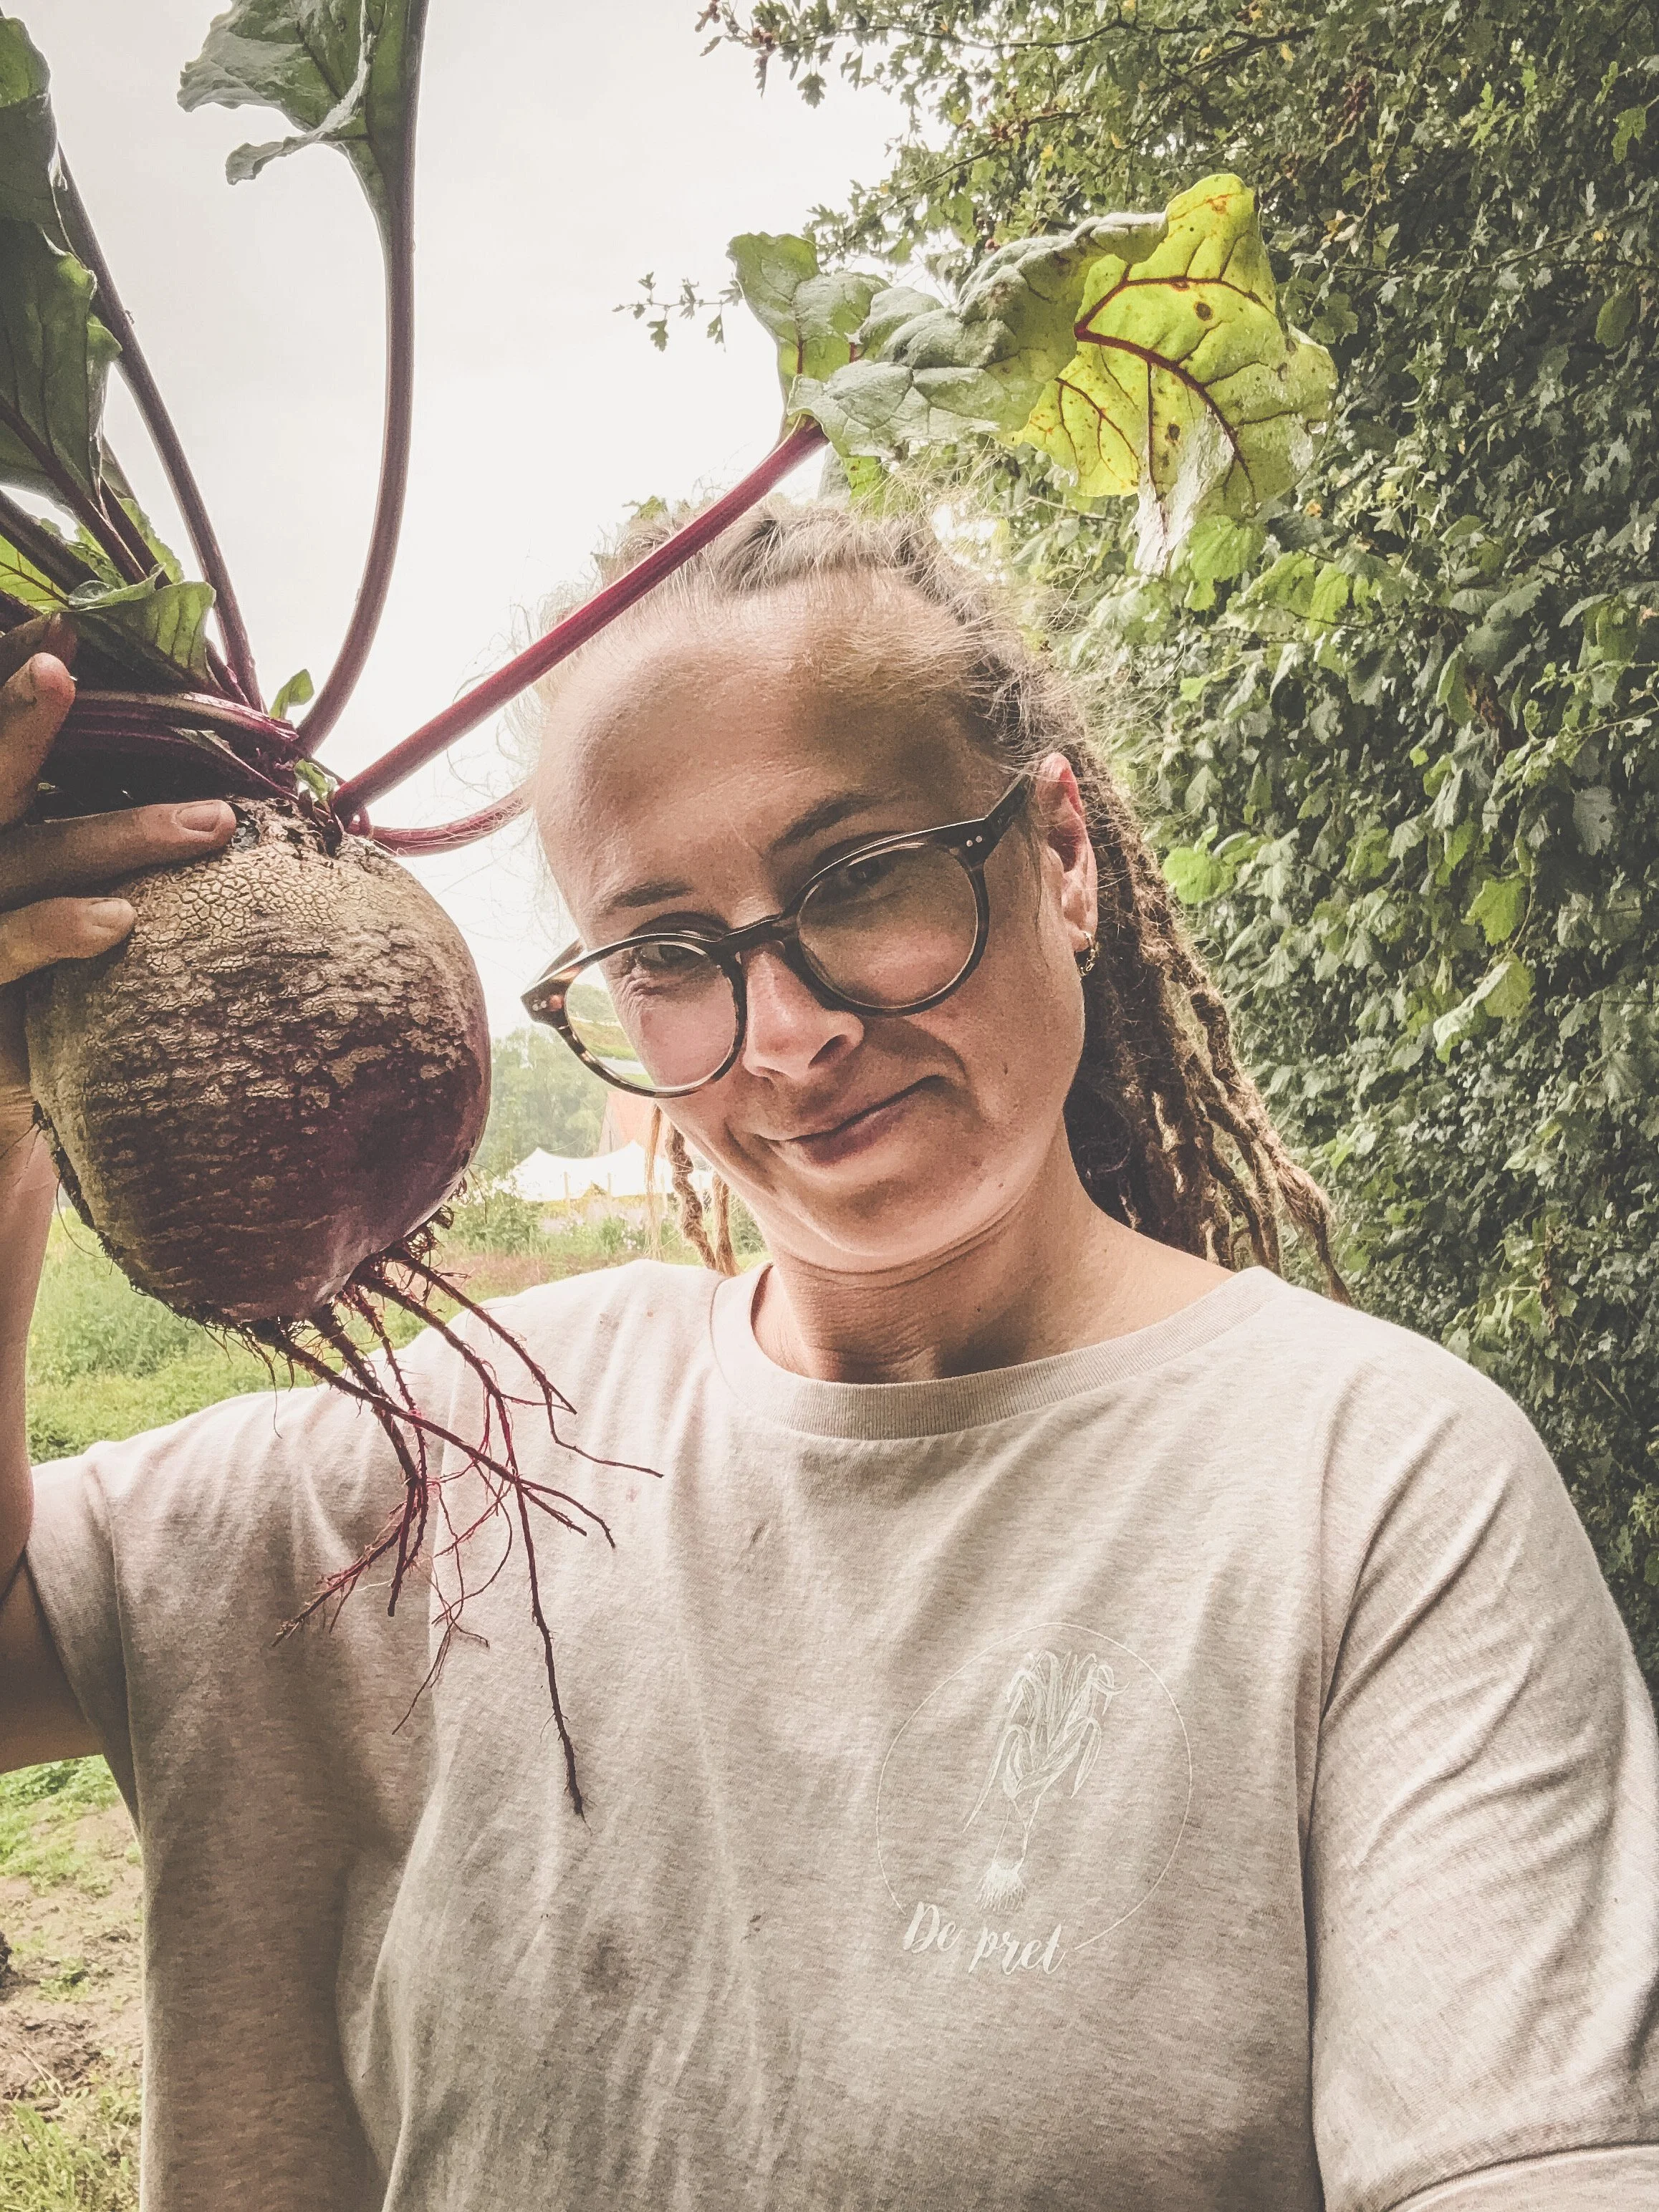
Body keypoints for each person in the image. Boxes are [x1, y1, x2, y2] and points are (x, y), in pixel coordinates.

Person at [0, 505, 1655, 2212]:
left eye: (857, 881)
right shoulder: (444, 1456)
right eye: (666, 953)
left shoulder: (1373, 1482)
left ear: (1062, 854)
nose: (787, 1037)